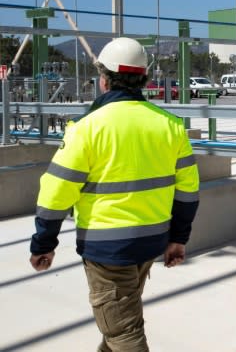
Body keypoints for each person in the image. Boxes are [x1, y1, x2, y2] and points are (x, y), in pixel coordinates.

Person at [29, 37, 200, 352]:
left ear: (103, 79)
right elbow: (188, 192)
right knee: (119, 326)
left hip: (107, 249)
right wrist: (178, 238)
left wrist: (44, 243)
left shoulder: (86, 129)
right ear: (145, 79)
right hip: (151, 242)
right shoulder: (172, 126)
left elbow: (56, 193)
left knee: (125, 335)